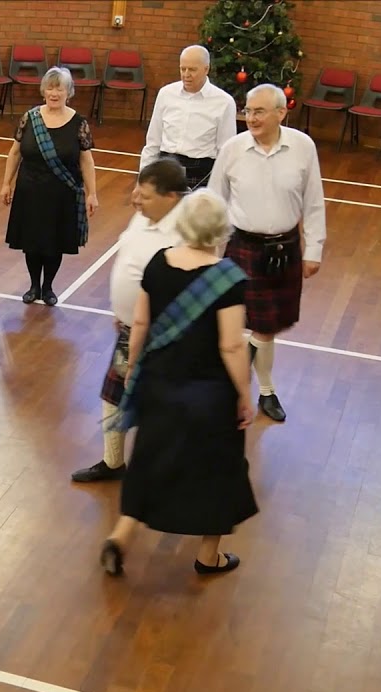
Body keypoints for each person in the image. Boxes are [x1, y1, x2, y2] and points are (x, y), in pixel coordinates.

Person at [99, 189, 258, 578]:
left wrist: (135, 367)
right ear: (222, 232)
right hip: (209, 396)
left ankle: (120, 536)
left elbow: (139, 324)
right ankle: (208, 556)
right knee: (219, 470)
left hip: (160, 384)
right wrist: (243, 394)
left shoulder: (157, 263)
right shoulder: (229, 279)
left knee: (148, 459)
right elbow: (232, 346)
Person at [206, 83, 327, 423]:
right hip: (240, 248)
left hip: (284, 249)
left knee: (268, 325)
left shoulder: (303, 147)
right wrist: (210, 256)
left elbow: (313, 202)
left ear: (281, 113)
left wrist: (313, 248)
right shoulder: (232, 149)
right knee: (245, 325)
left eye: (259, 111)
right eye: (247, 110)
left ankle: (251, 387)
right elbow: (214, 203)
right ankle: (264, 391)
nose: (251, 117)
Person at [71, 158, 190, 483]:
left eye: (145, 194)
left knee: (162, 405)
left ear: (171, 197)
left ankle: (169, 470)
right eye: (137, 189)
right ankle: (113, 463)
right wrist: (122, 313)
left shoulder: (188, 234)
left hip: (162, 335)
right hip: (130, 327)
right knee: (114, 395)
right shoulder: (144, 216)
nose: (136, 198)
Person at [1, 66, 99, 306]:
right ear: (44, 90)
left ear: (69, 92)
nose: (54, 93)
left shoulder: (78, 123)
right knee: (31, 242)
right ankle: (34, 285)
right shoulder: (29, 118)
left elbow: (86, 160)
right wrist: (6, 183)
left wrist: (92, 193)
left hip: (61, 194)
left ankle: (48, 287)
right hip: (29, 190)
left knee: (54, 243)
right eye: (50, 88)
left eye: (60, 88)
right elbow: (15, 153)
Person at [138, 45, 236, 190]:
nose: (186, 74)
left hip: (201, 172)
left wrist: (220, 188)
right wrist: (142, 180)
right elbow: (153, 142)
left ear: (206, 69)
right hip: (166, 165)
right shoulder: (166, 94)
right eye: (182, 69)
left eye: (192, 70)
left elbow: (225, 151)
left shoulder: (224, 102)